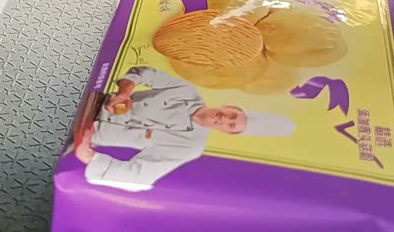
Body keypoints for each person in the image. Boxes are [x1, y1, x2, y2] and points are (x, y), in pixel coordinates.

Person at [73, 66, 295, 191]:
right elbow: (143, 72)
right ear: (230, 106)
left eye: (231, 125)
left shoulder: (190, 147)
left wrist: (88, 156)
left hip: (81, 137)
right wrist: (125, 91)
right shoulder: (186, 90)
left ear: (228, 133)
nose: (224, 119)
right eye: (232, 115)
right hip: (91, 98)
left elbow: (139, 177)